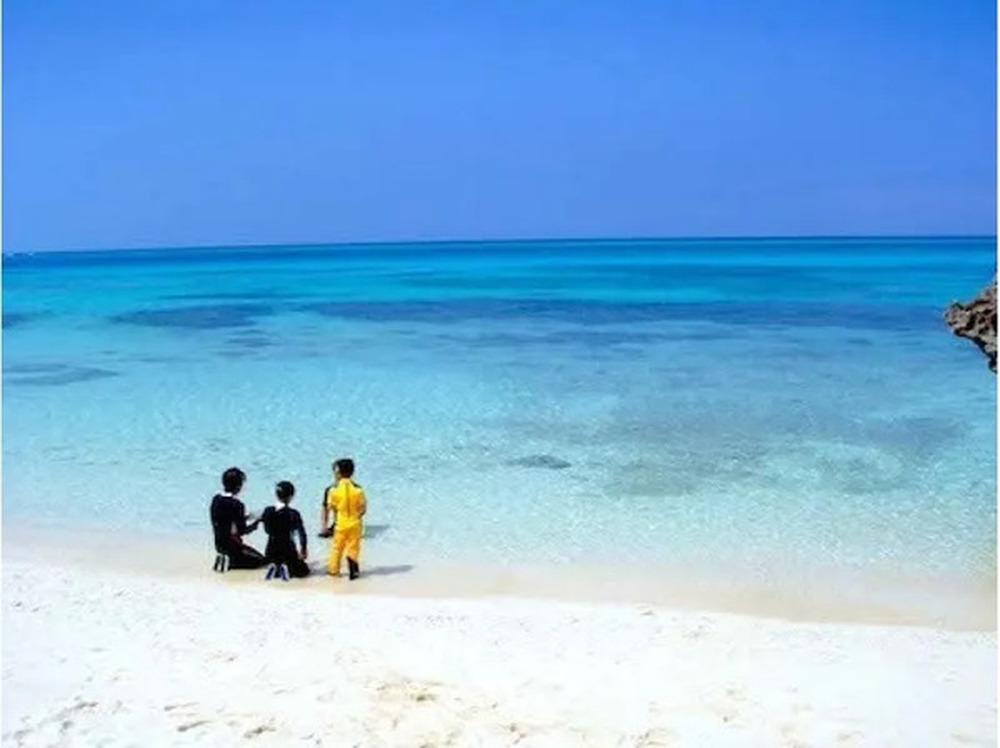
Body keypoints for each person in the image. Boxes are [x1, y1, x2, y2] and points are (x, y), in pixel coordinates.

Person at [209, 467, 267, 570]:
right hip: (234, 550)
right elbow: (242, 531)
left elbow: (225, 521)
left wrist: (246, 517)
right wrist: (257, 522)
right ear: (239, 486)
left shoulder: (216, 500)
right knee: (265, 563)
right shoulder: (237, 505)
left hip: (219, 546)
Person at [325, 458, 367, 579]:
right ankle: (353, 569)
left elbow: (330, 506)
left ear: (338, 472)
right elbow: (363, 508)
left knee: (337, 548)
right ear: (352, 472)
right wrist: (357, 516)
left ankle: (334, 570)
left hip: (340, 523)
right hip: (355, 523)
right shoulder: (358, 489)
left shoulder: (333, 490)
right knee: (353, 548)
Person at [261, 481, 310, 578]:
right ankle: (286, 568)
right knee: (305, 571)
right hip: (287, 550)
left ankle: (276, 567)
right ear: (291, 496)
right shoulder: (293, 514)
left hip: (270, 551)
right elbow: (302, 534)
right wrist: (303, 549)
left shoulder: (268, 510)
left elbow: (266, 530)